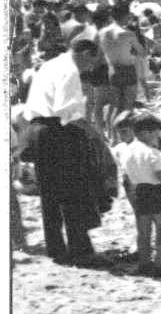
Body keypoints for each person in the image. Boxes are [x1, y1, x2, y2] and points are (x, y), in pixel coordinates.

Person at [21, 37, 112, 265]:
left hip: (38, 130)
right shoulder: (70, 70)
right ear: (84, 53)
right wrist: (93, 132)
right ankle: (81, 251)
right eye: (91, 61)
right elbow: (65, 111)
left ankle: (57, 249)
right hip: (57, 132)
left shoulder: (51, 64)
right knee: (74, 192)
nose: (90, 68)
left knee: (50, 194)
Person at [115, 111, 161, 275]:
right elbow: (159, 174)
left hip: (139, 192)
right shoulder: (150, 152)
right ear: (146, 133)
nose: (158, 139)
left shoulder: (126, 151)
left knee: (143, 231)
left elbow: (127, 174)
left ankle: (144, 264)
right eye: (156, 135)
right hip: (157, 192)